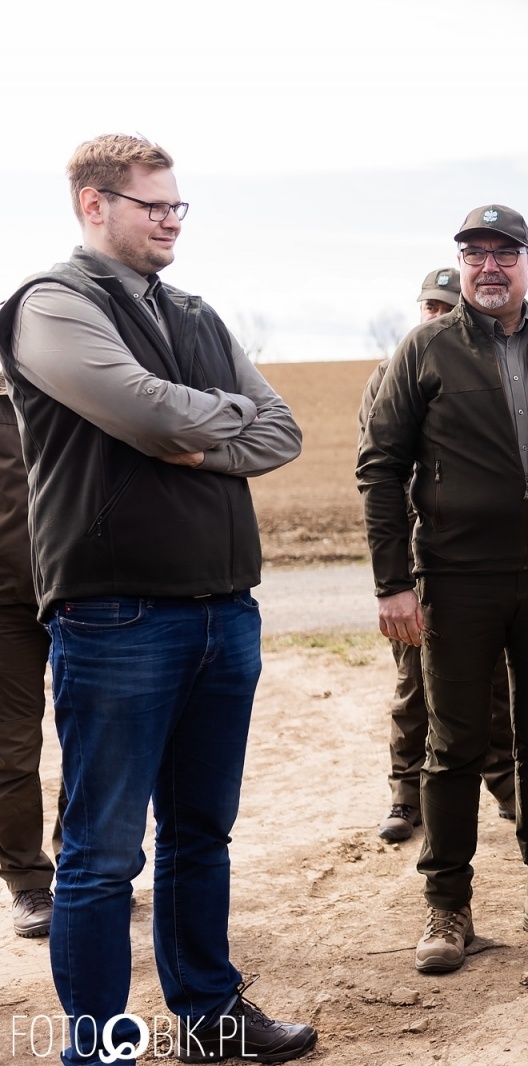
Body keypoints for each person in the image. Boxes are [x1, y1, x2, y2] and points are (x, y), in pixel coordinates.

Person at [0, 135, 313, 1063]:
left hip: (227, 607)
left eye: (180, 206)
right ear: (94, 206)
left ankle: (211, 1021)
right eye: (154, 205)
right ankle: (96, 1047)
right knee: (101, 856)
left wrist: (187, 428)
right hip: (116, 614)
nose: (172, 220)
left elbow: (283, 431)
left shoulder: (197, 313)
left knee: (200, 835)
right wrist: (187, 420)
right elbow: (141, 411)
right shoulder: (50, 306)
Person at [358, 204, 528, 975]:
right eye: (474, 253)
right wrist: (393, 581)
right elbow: (379, 470)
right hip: (454, 577)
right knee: (454, 745)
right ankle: (448, 906)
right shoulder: (425, 350)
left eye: (503, 253)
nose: (487, 266)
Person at [358, 267, 517, 843]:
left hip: (477, 556)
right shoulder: (391, 374)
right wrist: (394, 571)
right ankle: (406, 795)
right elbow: (377, 470)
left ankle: (504, 782)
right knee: (414, 680)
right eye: (428, 304)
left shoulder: (492, 366)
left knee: (496, 680)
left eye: (445, 306)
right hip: (419, 554)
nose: (435, 314)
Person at [0, 368, 59, 939]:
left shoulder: (60, 389)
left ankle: (91, 870)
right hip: (4, 610)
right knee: (13, 749)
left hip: (81, 594)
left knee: (95, 741)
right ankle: (26, 881)